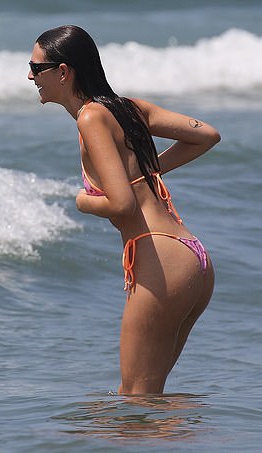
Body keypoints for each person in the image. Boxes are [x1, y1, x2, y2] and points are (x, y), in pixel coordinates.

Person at [28, 25, 220, 394]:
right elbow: (207, 135)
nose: (30, 76)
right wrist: (150, 168)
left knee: (135, 402)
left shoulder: (90, 117)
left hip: (160, 261)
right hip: (193, 259)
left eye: (36, 67)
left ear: (63, 72)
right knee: (148, 403)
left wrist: (81, 200)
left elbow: (121, 203)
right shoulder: (128, 108)